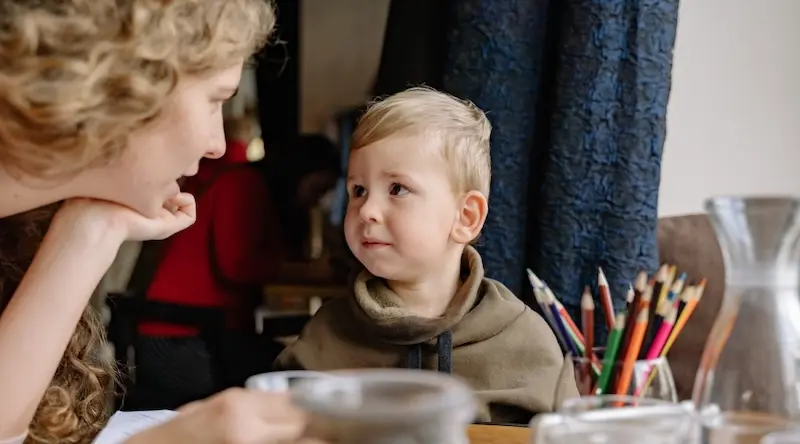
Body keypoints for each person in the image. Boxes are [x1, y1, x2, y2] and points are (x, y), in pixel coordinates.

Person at [0, 1, 313, 443]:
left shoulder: (29, 228)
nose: (218, 145)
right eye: (215, 100)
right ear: (124, 82)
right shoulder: (241, 183)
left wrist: (91, 226)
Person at [274, 87, 580, 424]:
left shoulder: (526, 343)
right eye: (358, 190)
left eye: (397, 189)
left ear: (466, 217)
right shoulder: (325, 335)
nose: (367, 211)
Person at [133, 116, 285, 409]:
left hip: (168, 332)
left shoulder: (211, 177)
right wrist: (291, 268)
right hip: (186, 340)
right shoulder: (241, 181)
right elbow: (236, 267)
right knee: (293, 377)